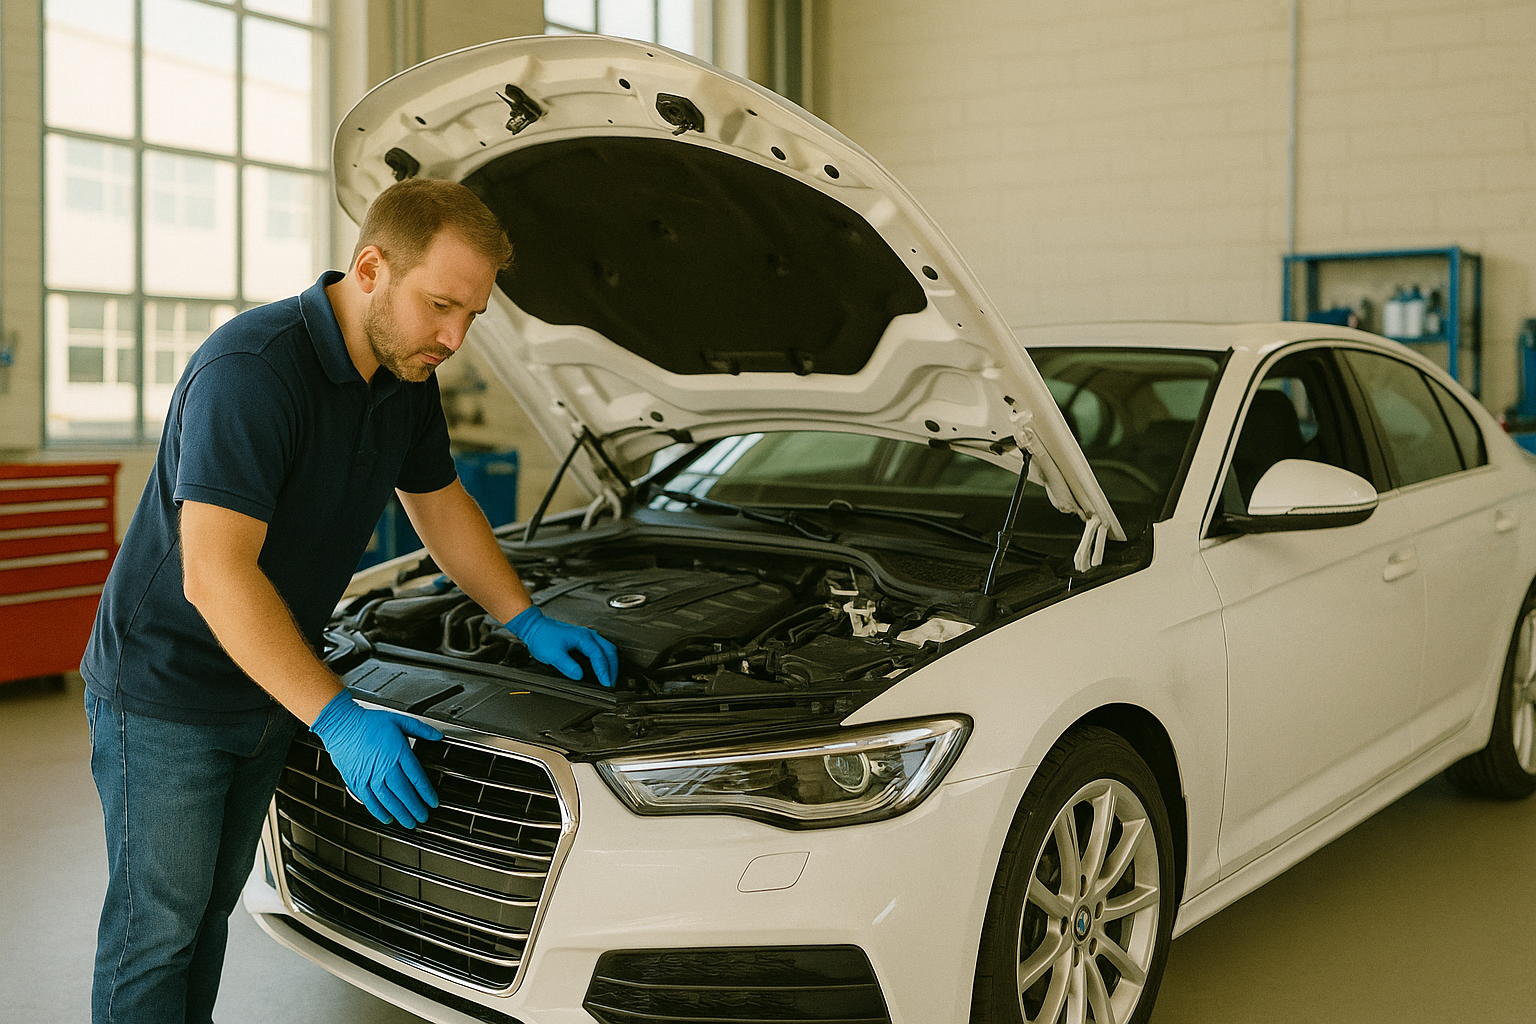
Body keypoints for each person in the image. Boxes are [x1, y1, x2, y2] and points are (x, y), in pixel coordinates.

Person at [79, 177, 618, 1024]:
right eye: (441, 305)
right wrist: (337, 716)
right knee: (157, 934)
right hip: (166, 692)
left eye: (471, 316)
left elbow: (441, 505)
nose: (454, 337)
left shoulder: (405, 377)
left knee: (203, 920)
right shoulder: (252, 372)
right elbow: (215, 576)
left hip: (269, 681)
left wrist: (524, 617)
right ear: (370, 267)